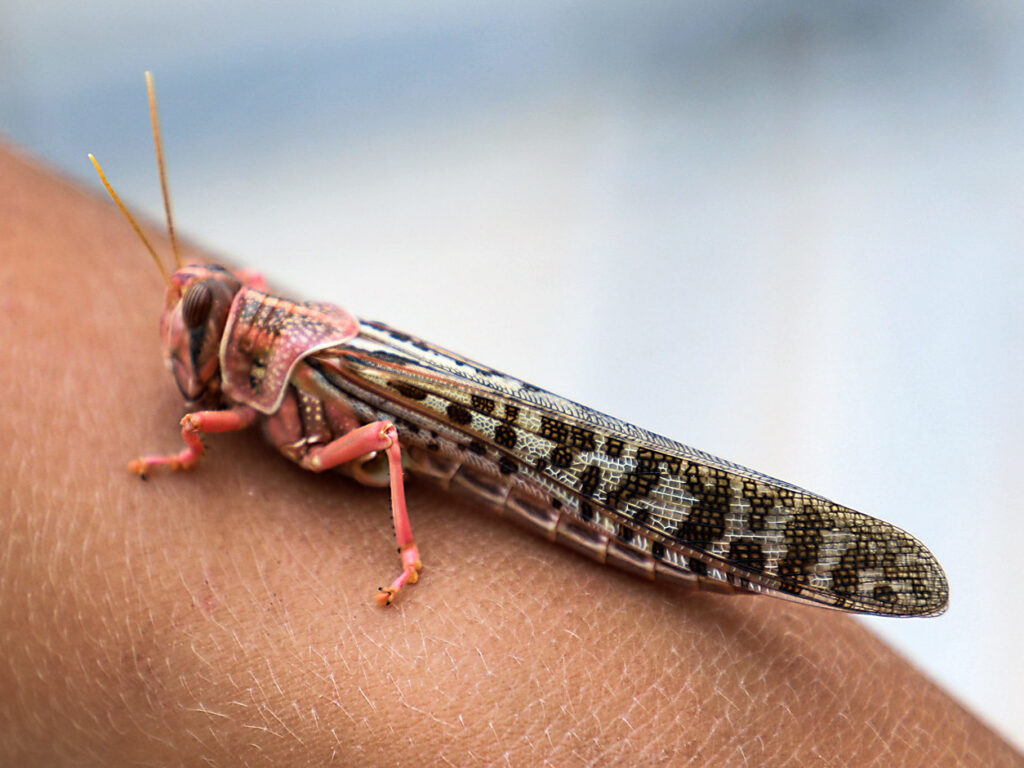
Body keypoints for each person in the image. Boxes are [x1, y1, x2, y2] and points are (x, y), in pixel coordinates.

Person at [0, 144, 1018, 766]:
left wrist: (406, 559)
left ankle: (751, 542)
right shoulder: (268, 351)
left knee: (448, 438)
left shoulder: (305, 373)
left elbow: (383, 440)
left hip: (546, 464)